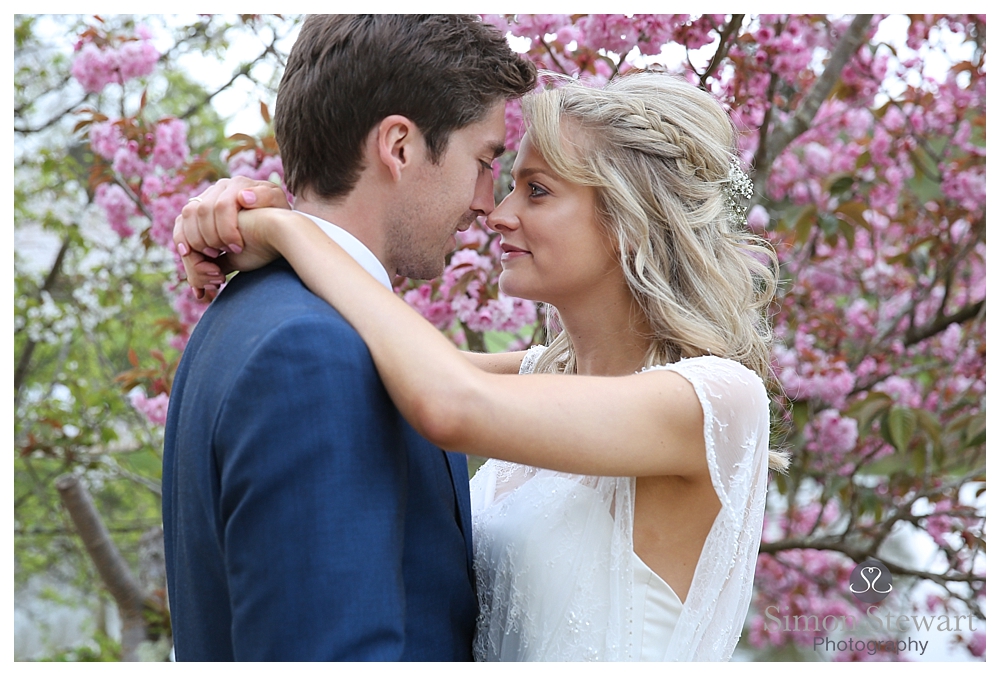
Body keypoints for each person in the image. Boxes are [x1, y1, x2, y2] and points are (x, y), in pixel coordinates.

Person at [177, 72, 788, 661]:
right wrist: (236, 209)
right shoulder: (545, 378)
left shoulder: (716, 403)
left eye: (538, 191)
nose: (496, 214)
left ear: (631, 220)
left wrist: (288, 229)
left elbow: (449, 401)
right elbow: (356, 354)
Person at [162, 14, 536, 661]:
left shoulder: (251, 319)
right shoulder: (313, 355)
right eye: (483, 162)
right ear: (399, 146)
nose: (486, 202)